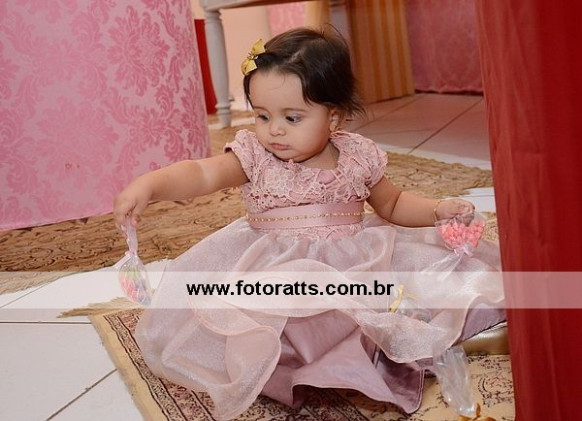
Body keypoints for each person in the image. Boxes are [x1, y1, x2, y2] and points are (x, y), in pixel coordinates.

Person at [113, 26, 504, 420]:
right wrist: (151, 185)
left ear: (333, 117)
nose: (274, 129)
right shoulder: (254, 156)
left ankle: (420, 340)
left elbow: (394, 203)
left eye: (292, 117)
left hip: (357, 259)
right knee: (279, 318)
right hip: (277, 265)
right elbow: (202, 174)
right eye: (262, 115)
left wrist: (436, 209)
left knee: (421, 291)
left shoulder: (357, 156)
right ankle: (311, 365)